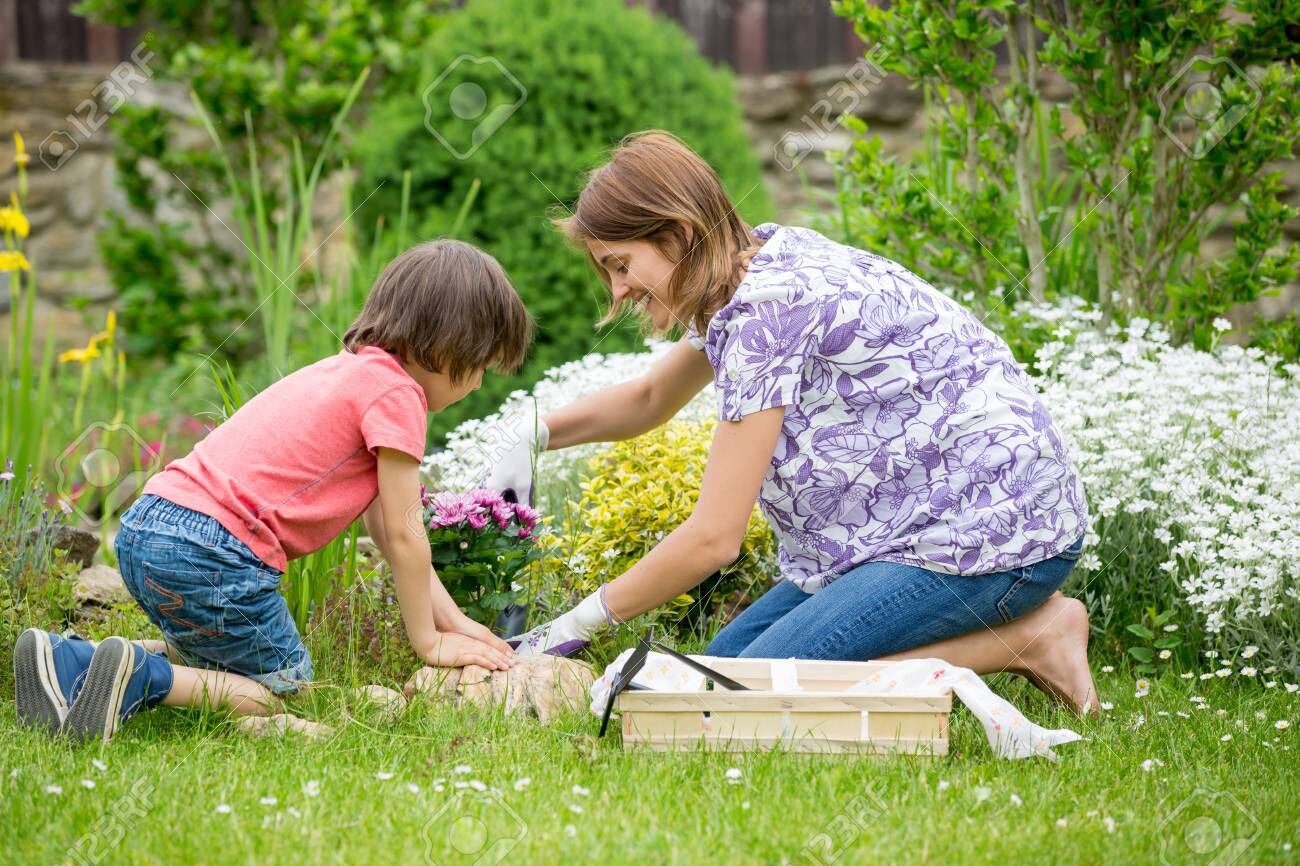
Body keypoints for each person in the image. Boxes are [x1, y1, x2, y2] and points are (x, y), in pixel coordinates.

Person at [493, 131, 1098, 713]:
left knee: (739, 697)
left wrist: (573, 625)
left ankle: (1034, 636)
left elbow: (713, 538)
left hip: (992, 535)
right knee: (723, 667)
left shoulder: (767, 310)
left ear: (677, 234)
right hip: (899, 531)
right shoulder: (749, 268)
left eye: (621, 264)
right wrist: (535, 430)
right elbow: (652, 397)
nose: (618, 290)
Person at [13, 239, 527, 741]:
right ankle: (143, 678)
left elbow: (392, 543)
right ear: (444, 344)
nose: (479, 383)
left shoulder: (349, 374)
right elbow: (407, 532)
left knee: (215, 657)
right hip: (213, 551)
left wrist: (454, 621)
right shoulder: (399, 396)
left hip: (151, 525)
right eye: (480, 365)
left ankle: (73, 661)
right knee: (279, 691)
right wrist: (428, 641)